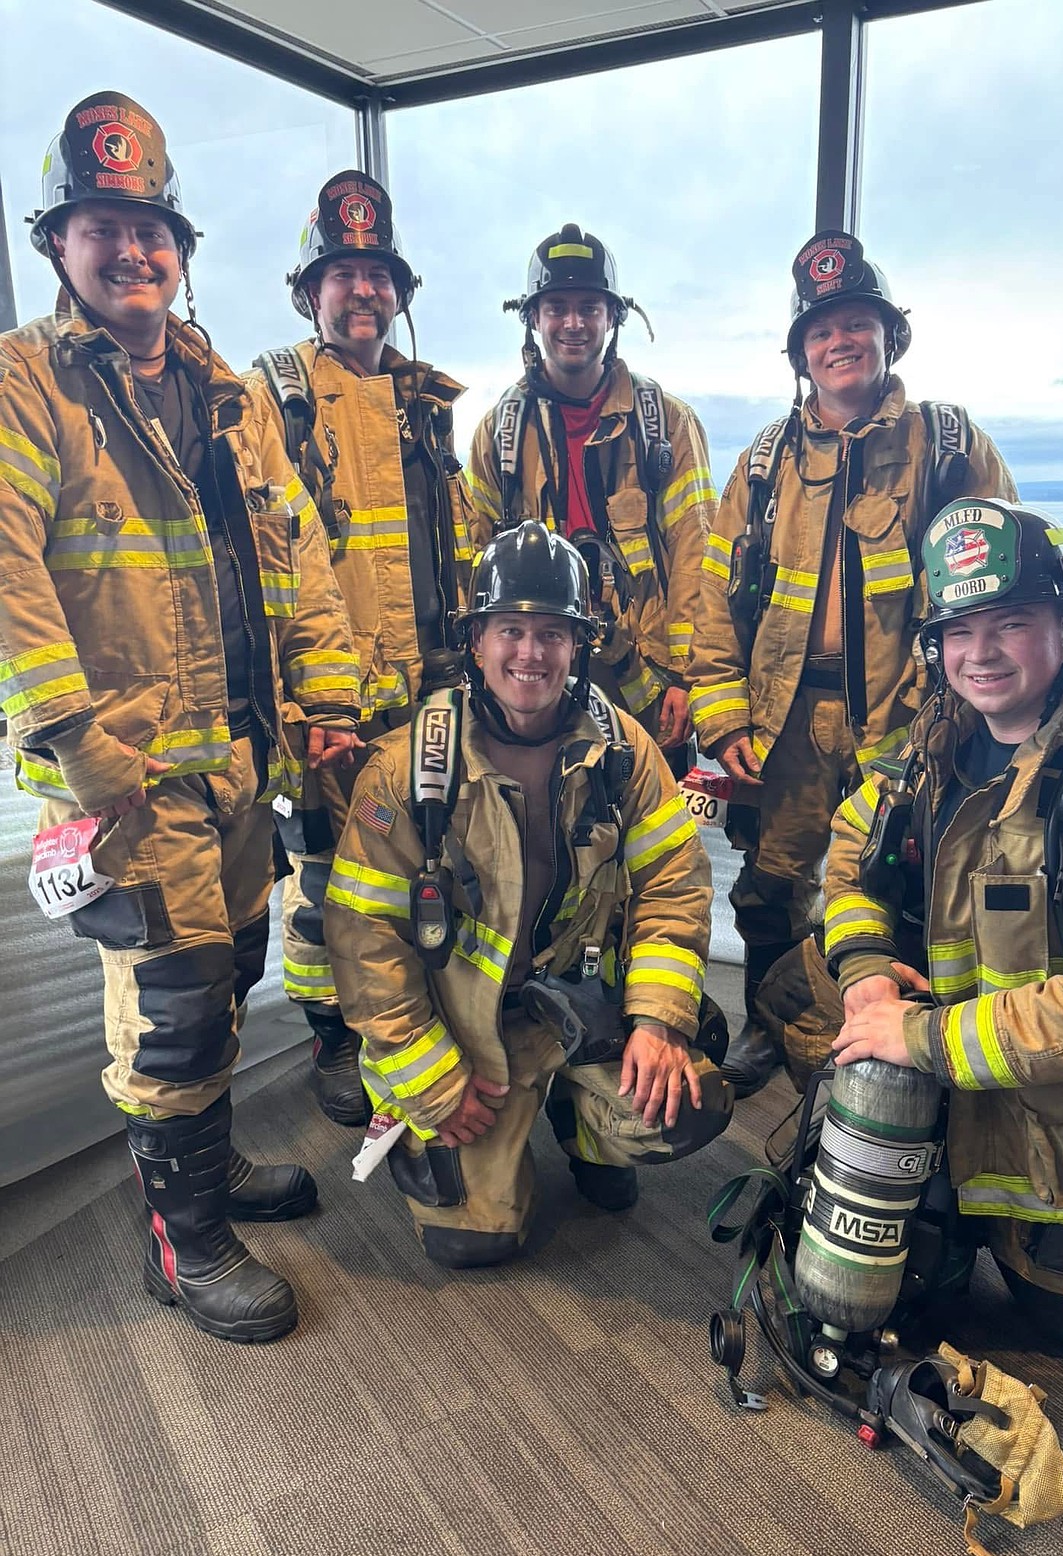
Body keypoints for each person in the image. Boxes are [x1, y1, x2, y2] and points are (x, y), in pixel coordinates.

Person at [0, 93, 362, 1343]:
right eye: (101, 227)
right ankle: (185, 1241)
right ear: (58, 244)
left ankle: (206, 1170)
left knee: (236, 965)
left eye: (149, 229)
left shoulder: (226, 394)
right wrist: (79, 749)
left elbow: (298, 557)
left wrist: (325, 693)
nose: (130, 251)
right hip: (125, 777)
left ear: (181, 248)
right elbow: (6, 575)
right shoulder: (25, 383)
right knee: (176, 1009)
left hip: (240, 760)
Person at [323, 521, 733, 1268]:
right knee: (472, 1243)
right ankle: (461, 1143)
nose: (530, 654)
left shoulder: (625, 751)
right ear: (476, 642)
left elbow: (674, 886)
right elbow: (364, 940)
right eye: (510, 630)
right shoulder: (407, 772)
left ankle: (583, 1125)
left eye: (552, 633)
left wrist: (657, 1021)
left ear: (579, 646)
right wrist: (432, 1079)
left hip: (581, 1007)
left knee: (686, 1108)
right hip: (464, 1031)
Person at [824, 498, 1063, 1351]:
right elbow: (849, 858)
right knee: (891, 1285)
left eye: (1010, 623)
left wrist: (920, 1038)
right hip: (958, 1086)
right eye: (959, 629)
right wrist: (865, 966)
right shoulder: (934, 743)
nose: (979, 653)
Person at [688, 229, 1017, 1098]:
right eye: (822, 330)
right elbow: (714, 601)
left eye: (857, 325)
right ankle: (773, 1024)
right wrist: (723, 714)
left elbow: (996, 587)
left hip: (912, 722)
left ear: (888, 337)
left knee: (894, 882)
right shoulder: (764, 464)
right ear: (802, 354)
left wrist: (960, 716)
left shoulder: (949, 447)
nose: (840, 342)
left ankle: (888, 1046)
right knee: (770, 884)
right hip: (785, 724)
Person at [248, 170, 474, 1128]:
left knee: (423, 863)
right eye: (342, 275)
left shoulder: (427, 404)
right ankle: (332, 1035)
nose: (362, 292)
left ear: (400, 291)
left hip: (430, 695)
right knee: (325, 879)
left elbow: (453, 547)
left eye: (378, 275)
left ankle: (412, 1019)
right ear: (311, 293)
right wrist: (300, 702)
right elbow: (264, 561)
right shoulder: (275, 399)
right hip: (330, 704)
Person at [462, 224, 714, 777]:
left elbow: (696, 557)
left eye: (588, 308)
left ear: (613, 318)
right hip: (535, 671)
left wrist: (685, 678)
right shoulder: (498, 434)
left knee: (645, 810)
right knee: (539, 809)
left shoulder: (667, 425)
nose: (573, 323)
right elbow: (475, 560)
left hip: (644, 682)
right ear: (533, 318)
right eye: (557, 308)